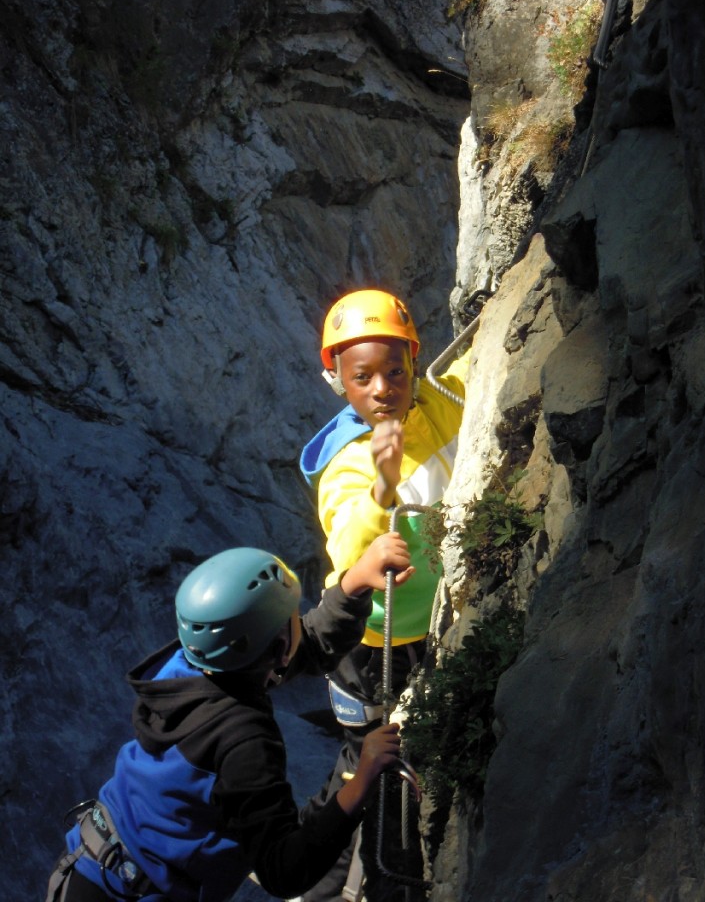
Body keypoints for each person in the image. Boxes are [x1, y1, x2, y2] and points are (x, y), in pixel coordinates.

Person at [45, 533, 415, 902]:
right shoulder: (243, 740)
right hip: (135, 892)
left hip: (87, 868)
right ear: (275, 647)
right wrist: (361, 780)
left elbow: (299, 648)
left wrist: (352, 585)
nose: (298, 622)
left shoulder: (187, 669)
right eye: (291, 618)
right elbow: (282, 870)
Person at [299, 289, 469, 901]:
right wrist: (382, 489)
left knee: (396, 760)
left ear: (414, 359)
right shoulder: (347, 463)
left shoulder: (439, 405)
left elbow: (474, 363)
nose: (382, 388)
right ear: (335, 382)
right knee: (373, 767)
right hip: (374, 647)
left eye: (395, 370)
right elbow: (349, 552)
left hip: (426, 627)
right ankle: (330, 884)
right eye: (361, 377)